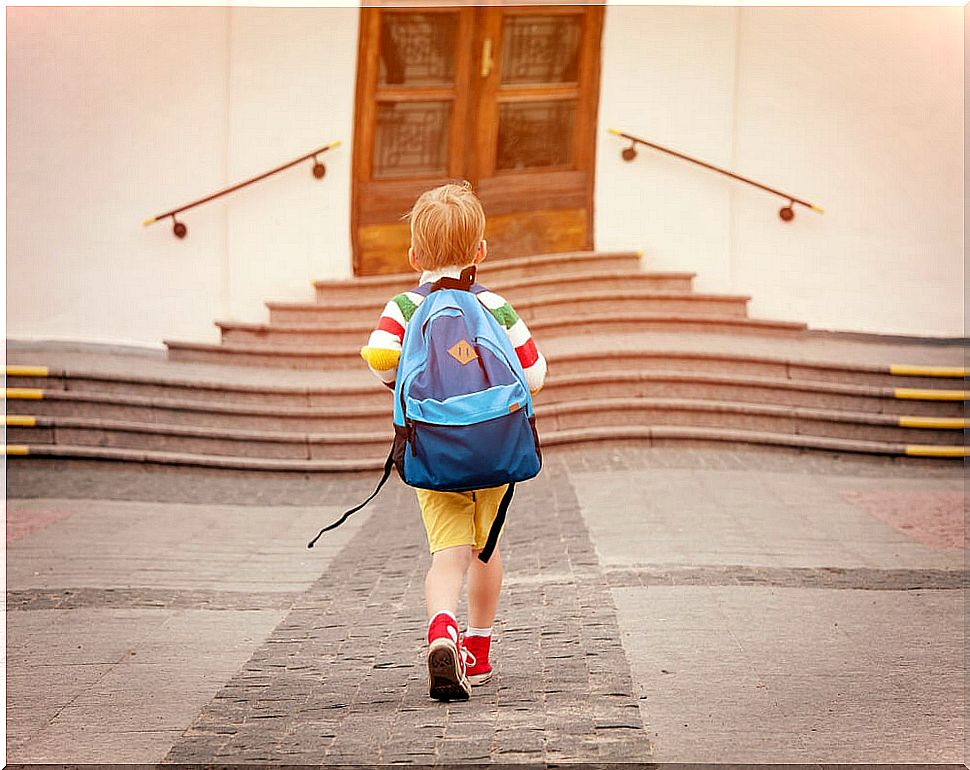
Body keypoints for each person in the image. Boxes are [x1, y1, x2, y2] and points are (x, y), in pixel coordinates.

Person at [360, 181, 547, 701]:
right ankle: (478, 651)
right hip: (495, 450)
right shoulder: (495, 304)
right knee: (486, 550)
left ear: (414, 253)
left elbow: (381, 359)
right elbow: (534, 375)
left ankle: (442, 628)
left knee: (448, 554)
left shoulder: (403, 305)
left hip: (434, 450)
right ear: (480, 251)